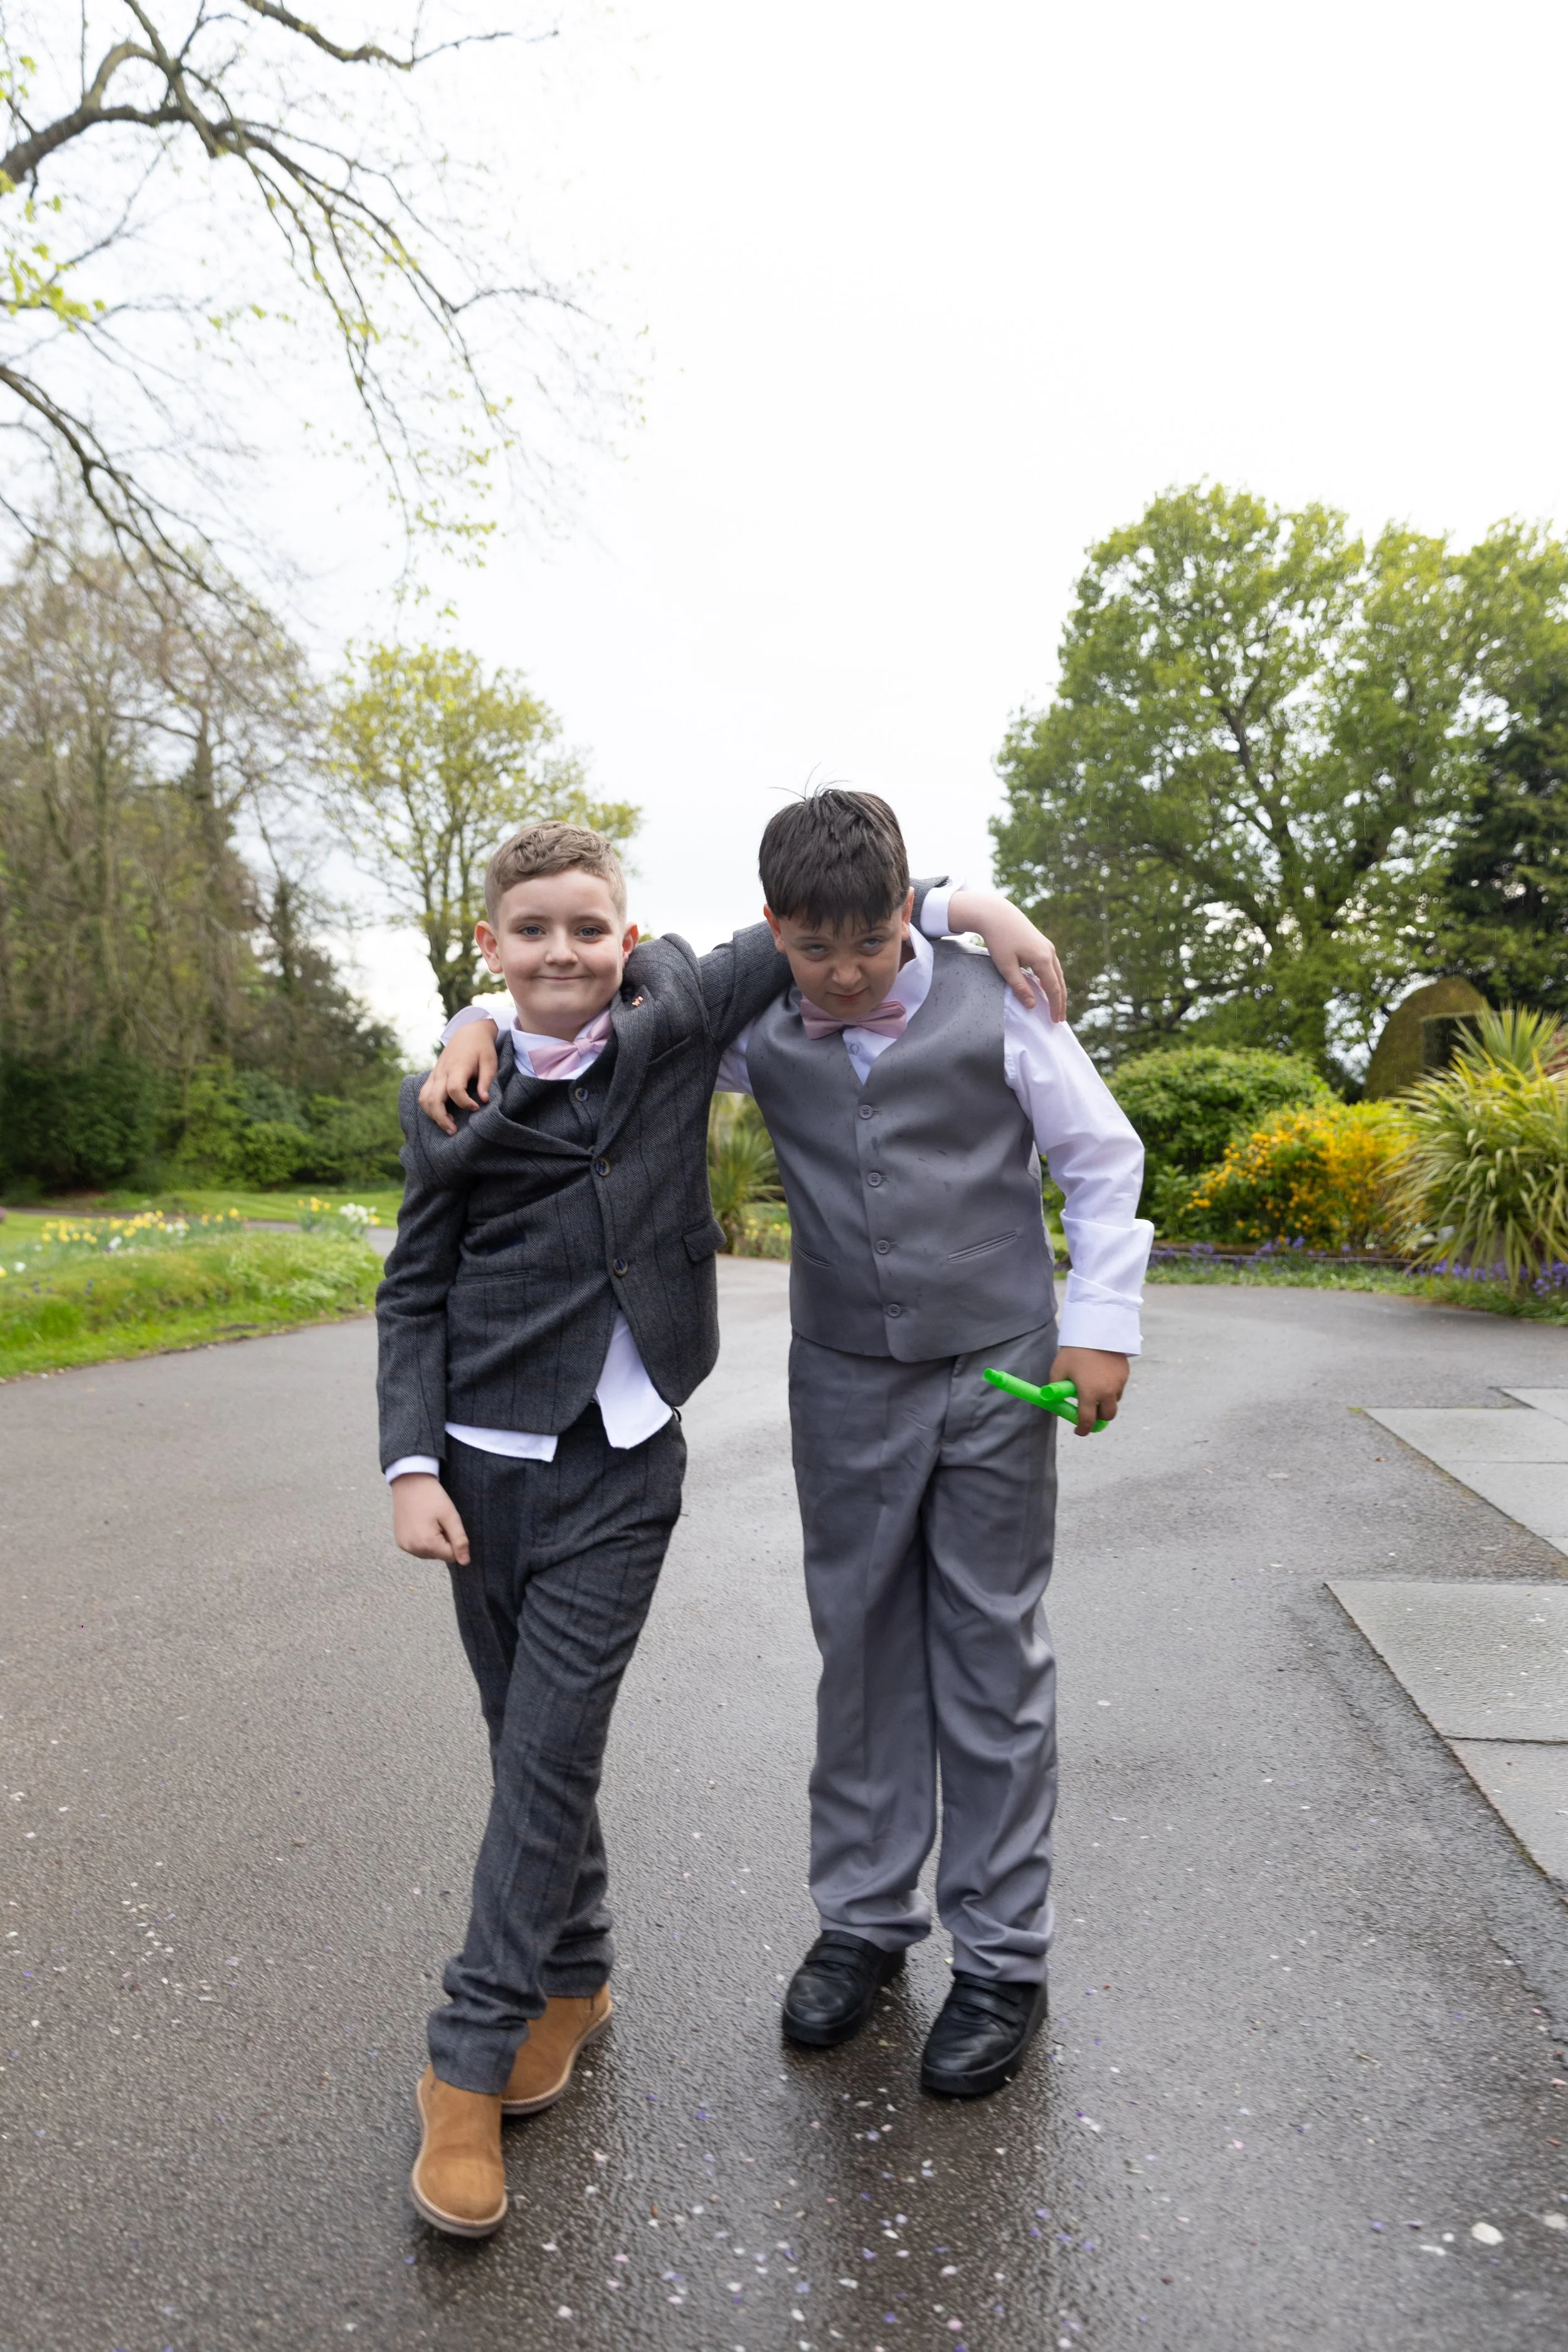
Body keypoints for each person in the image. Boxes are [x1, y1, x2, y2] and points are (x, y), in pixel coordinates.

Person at [383, 817, 1064, 2235]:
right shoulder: (450, 1090)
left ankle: (465, 2061)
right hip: (480, 1460)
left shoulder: (682, 1006)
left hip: (625, 1460)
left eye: (588, 928)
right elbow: (413, 1284)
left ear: (628, 941)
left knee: (545, 1754)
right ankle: (574, 1976)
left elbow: (847, 914)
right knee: (529, 1749)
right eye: (528, 933)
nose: (561, 951)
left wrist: (970, 902)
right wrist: (407, 1463)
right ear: (486, 949)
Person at [726, 790, 1152, 2098]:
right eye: (815, 952)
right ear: (773, 932)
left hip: (997, 1371)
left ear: (902, 909)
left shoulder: (997, 999)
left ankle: (1002, 1955)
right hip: (841, 1375)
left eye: (871, 941)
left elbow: (1099, 1159)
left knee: (987, 1650)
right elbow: (594, 1001)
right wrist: (472, 1019)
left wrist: (1101, 1326)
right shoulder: (751, 1022)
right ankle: (861, 1922)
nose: (846, 974)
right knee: (856, 1647)